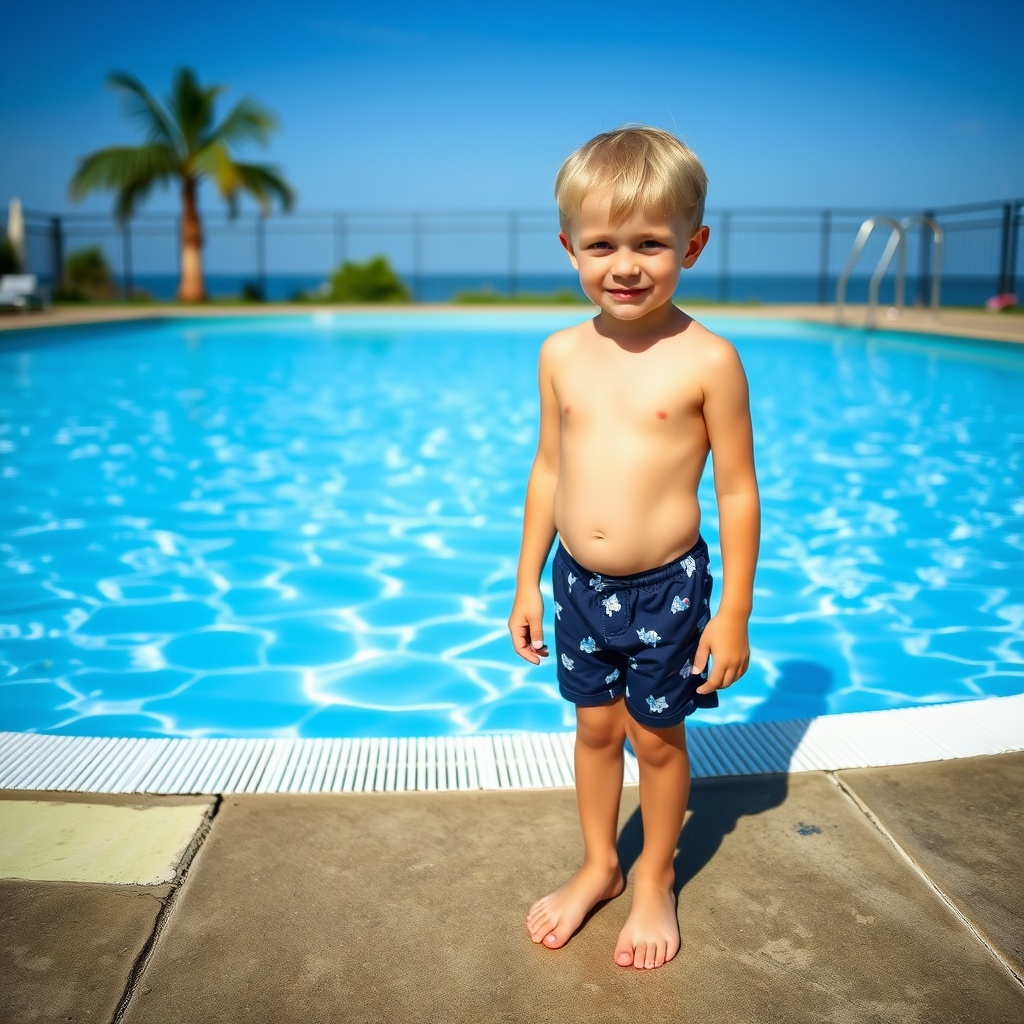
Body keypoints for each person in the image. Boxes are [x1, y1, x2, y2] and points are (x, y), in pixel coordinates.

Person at [508, 126, 760, 971]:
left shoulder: (710, 360)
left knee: (656, 738)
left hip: (667, 591)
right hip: (578, 585)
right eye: (602, 243)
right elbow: (549, 469)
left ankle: (654, 875)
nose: (626, 264)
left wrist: (733, 613)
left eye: (651, 243)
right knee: (592, 731)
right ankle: (599, 865)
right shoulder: (560, 354)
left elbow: (736, 492)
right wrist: (527, 583)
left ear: (692, 244)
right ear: (568, 248)